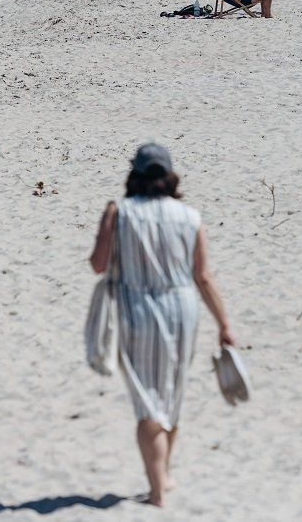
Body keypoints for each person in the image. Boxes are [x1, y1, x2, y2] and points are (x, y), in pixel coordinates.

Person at [89, 143, 235, 508]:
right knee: (171, 395)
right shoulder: (189, 216)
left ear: (134, 174)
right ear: (169, 175)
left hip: (138, 308)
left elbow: (97, 264)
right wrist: (224, 324)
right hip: (182, 308)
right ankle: (164, 475)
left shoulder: (118, 212)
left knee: (147, 403)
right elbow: (202, 276)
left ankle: (156, 494)